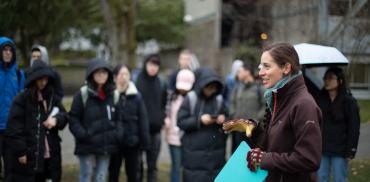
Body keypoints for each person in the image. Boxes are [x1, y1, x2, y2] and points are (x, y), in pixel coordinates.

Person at [224, 43, 322, 182]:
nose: (260, 73)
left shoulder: (304, 105)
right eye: (260, 67)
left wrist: (264, 159)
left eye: (267, 66)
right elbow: (278, 143)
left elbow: (308, 159)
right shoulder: (278, 98)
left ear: (286, 68)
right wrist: (254, 130)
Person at [4, 61, 68, 182]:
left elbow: (64, 115)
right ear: (34, 80)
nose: (43, 82)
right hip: (30, 155)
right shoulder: (22, 99)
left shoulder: (52, 97)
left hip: (51, 155)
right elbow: (13, 128)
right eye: (40, 79)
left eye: (46, 79)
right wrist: (21, 151)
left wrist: (56, 120)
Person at [69, 59, 123, 182]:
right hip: (86, 145)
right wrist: (83, 134)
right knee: (86, 175)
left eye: (104, 72)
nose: (101, 75)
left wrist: (116, 134)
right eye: (97, 72)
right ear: (91, 74)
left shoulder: (113, 94)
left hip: (106, 145)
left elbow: (119, 118)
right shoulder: (82, 94)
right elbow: (73, 118)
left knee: (101, 176)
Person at [177, 67, 227, 182]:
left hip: (215, 157)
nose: (212, 90)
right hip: (194, 158)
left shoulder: (219, 100)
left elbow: (228, 119)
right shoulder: (191, 98)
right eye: (209, 87)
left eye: (214, 88)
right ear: (201, 85)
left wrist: (223, 119)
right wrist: (199, 120)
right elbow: (180, 121)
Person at [317, 67, 360, 182]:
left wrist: (351, 149)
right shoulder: (320, 99)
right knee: (321, 178)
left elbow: (354, 128)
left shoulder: (349, 102)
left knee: (339, 179)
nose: (326, 80)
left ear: (340, 81)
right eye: (325, 78)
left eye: (330, 78)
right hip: (322, 148)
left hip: (340, 150)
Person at [108, 64, 150, 182]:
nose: (124, 77)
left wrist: (144, 142)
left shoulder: (136, 96)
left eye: (126, 74)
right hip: (114, 142)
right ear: (115, 77)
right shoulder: (110, 95)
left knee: (133, 174)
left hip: (132, 141)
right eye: (121, 74)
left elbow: (143, 119)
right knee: (113, 173)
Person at [135, 54, 167, 182]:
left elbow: (164, 103)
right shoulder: (137, 81)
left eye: (156, 65)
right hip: (139, 131)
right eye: (150, 64)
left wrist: (162, 118)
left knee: (152, 166)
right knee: (137, 166)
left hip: (155, 131)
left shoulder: (161, 82)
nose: (153, 68)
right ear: (145, 64)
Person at [0, 37, 25, 179]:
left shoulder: (19, 74)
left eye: (10, 50)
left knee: (11, 169)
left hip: (12, 130)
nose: (8, 53)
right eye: (4, 50)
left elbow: (22, 102)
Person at [164, 69, 195, 182]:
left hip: (188, 137)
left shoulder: (193, 98)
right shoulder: (172, 97)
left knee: (187, 166)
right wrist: (166, 119)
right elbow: (167, 113)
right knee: (176, 166)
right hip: (173, 137)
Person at [230, 61, 265, 151]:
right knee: (238, 155)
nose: (238, 74)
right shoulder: (237, 88)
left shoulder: (259, 88)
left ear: (247, 71)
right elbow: (232, 103)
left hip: (254, 131)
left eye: (240, 71)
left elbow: (265, 106)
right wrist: (234, 116)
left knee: (253, 156)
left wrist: (256, 119)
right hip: (239, 130)